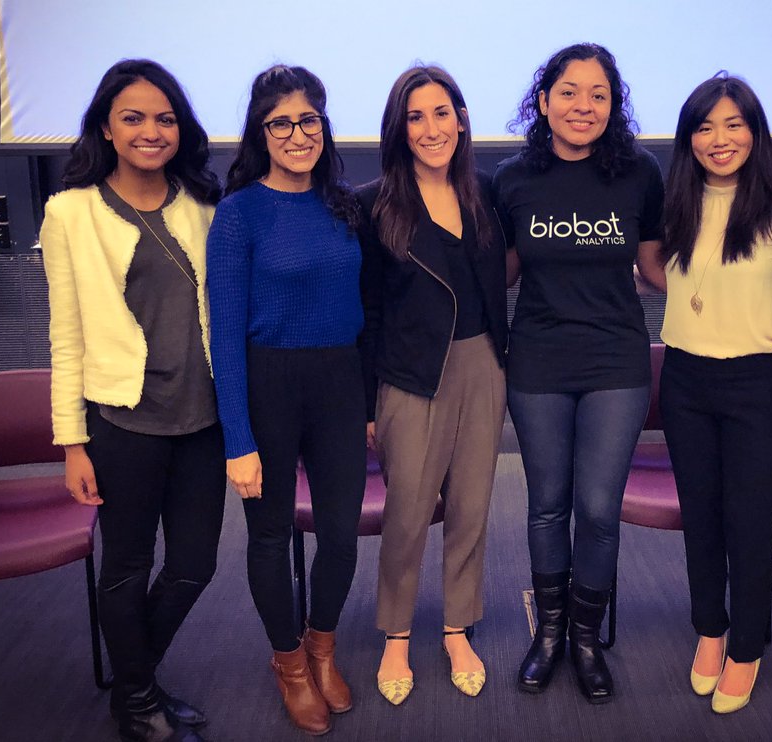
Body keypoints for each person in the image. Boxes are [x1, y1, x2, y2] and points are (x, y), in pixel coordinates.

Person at [41, 59, 222, 742]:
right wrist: (72, 443)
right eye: (134, 117)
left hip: (203, 420)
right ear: (107, 129)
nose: (152, 130)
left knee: (195, 565)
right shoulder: (72, 212)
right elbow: (65, 337)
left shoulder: (200, 204)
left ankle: (132, 681)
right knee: (126, 567)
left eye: (165, 117)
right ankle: (139, 696)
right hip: (122, 422)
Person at [493, 42, 664, 704]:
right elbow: (502, 272)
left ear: (613, 105)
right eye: (568, 92)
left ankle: (586, 641)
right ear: (543, 102)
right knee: (546, 505)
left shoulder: (639, 173)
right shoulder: (512, 179)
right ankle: (549, 635)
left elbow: (654, 266)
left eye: (598, 94)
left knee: (596, 508)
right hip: (536, 358)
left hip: (616, 359)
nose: (582, 105)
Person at [636, 74, 772, 715]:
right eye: (704, 127)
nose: (719, 139)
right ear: (688, 140)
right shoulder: (675, 203)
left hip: (757, 383)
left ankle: (748, 645)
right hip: (685, 380)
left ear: (756, 132)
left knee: (748, 519)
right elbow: (656, 270)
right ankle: (710, 628)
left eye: (734, 124)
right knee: (700, 515)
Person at [207, 65, 365, 736]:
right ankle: (290, 665)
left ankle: (323, 647)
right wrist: (237, 439)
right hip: (267, 382)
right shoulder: (239, 213)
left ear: (324, 125)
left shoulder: (345, 205)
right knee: (270, 536)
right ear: (261, 131)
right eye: (281, 122)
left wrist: (367, 405)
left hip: (339, 383)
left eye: (308, 120)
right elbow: (224, 332)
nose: (297, 134)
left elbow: (365, 307)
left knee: (340, 533)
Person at [356, 65, 508, 705]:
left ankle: (455, 628)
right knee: (410, 510)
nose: (430, 128)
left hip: (483, 366)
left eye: (441, 112)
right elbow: (364, 312)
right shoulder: (373, 204)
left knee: (471, 507)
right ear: (398, 128)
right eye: (415, 116)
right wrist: (368, 404)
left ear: (462, 119)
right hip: (410, 373)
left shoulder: (487, 194)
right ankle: (395, 634)